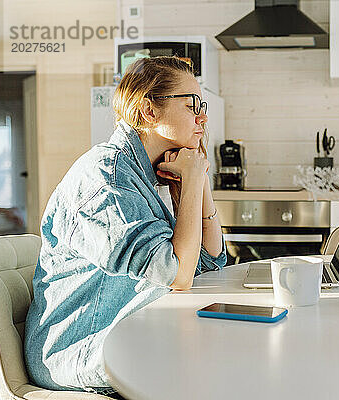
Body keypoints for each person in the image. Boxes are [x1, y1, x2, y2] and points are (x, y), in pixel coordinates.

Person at [24, 56, 226, 396]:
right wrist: (192, 180)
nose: (202, 117)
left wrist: (197, 183)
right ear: (149, 111)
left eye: (202, 105)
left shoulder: (141, 174)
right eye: (192, 104)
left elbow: (207, 263)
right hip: (81, 348)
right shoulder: (106, 178)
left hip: (126, 332)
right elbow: (177, 273)